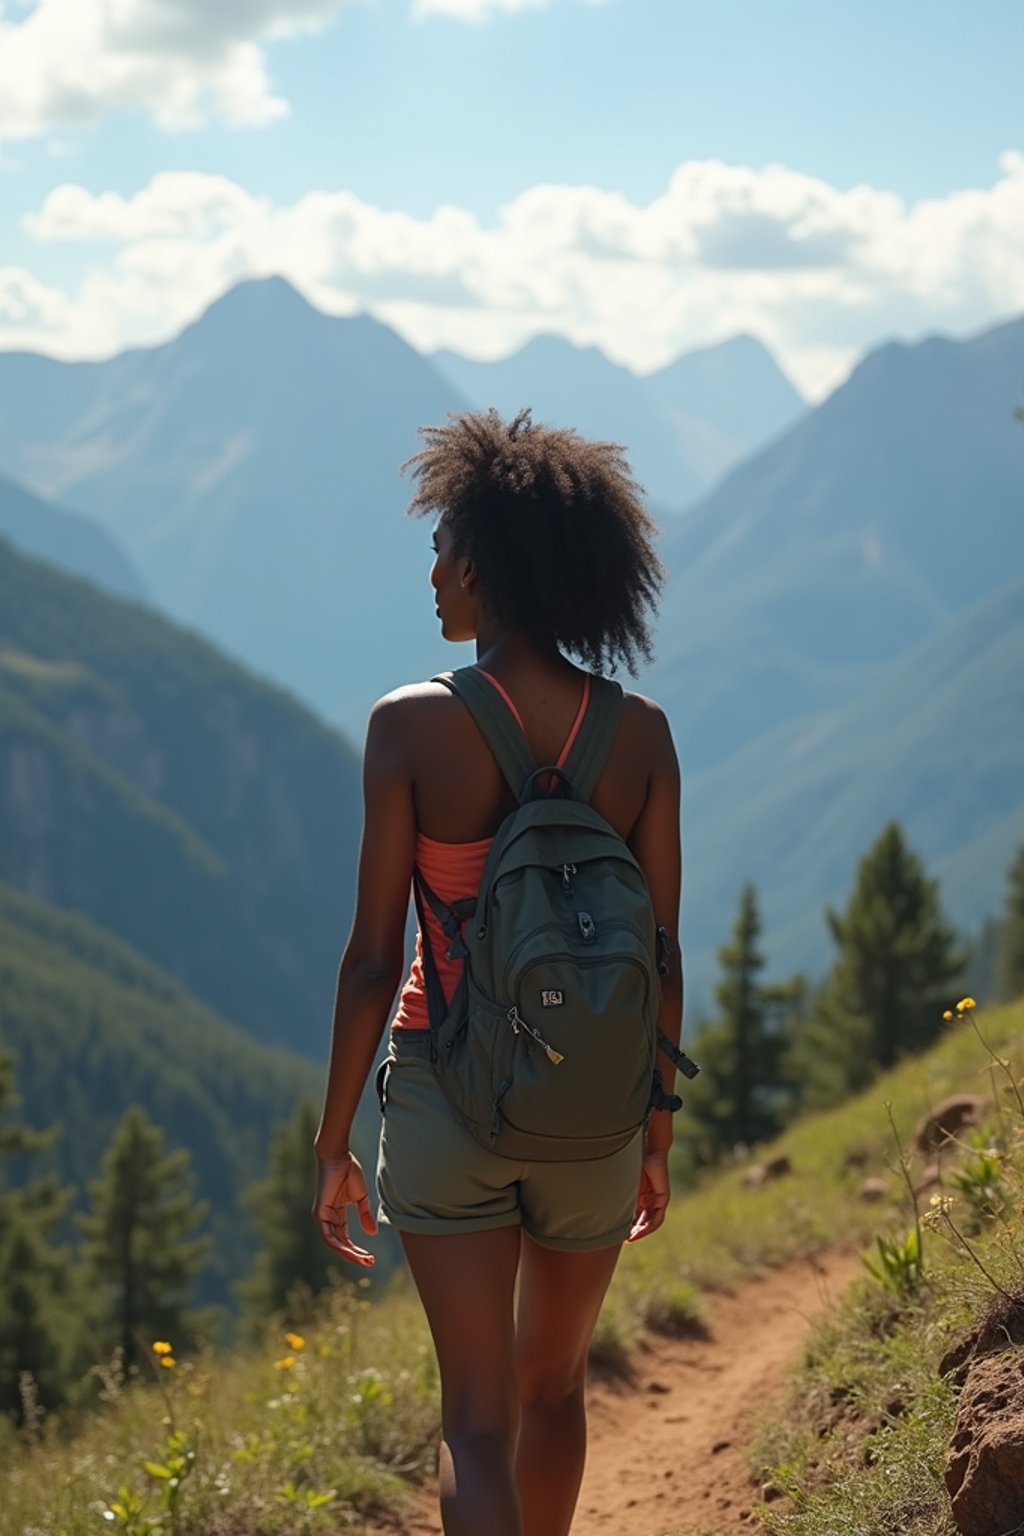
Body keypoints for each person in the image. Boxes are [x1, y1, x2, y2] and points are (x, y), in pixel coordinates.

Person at [313, 408, 684, 1536]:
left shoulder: (409, 729)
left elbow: (376, 957)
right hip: (594, 1118)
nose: (433, 575)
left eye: (443, 550)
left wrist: (332, 1144)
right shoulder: (640, 735)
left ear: (480, 565)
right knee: (551, 1390)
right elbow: (658, 954)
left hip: (446, 1096)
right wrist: (654, 1134)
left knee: (475, 1418)